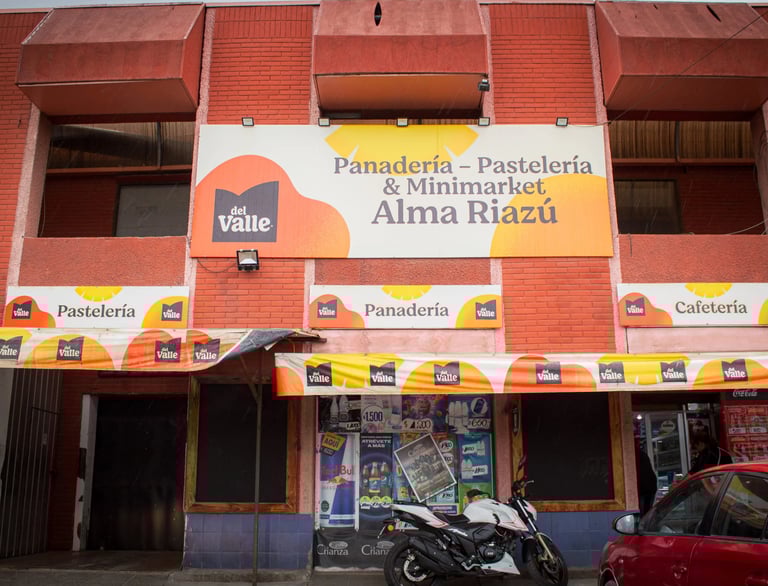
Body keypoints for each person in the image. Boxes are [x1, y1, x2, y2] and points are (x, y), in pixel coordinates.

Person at [635, 442, 657, 516]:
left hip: (644, 488)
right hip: (650, 486)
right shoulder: (642, 454)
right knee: (646, 511)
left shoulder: (634, 456)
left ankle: (643, 525)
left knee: (642, 513)